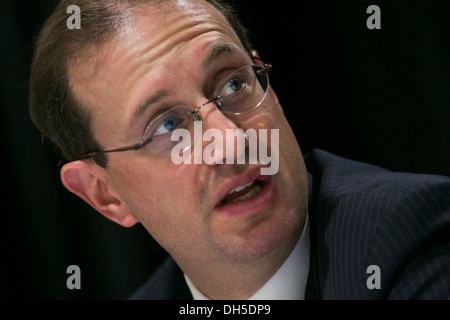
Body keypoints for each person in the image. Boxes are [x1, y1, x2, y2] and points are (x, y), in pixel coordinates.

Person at [29, 0, 450, 300]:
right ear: (106, 195)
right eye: (168, 125)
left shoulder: (411, 235)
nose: (231, 142)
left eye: (233, 83)